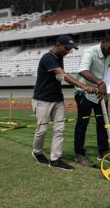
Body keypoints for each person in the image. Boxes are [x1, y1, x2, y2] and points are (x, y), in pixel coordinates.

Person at [32, 35, 95, 171]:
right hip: (42, 99)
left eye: (70, 49)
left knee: (59, 130)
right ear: (58, 45)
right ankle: (37, 152)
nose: (68, 52)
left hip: (58, 99)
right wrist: (82, 86)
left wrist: (77, 85)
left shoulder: (60, 58)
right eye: (67, 48)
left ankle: (55, 159)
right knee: (42, 130)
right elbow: (63, 75)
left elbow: (60, 77)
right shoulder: (47, 58)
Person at [73, 32, 110, 166]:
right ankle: (79, 154)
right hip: (85, 93)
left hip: (101, 95)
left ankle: (103, 152)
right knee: (82, 124)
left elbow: (105, 72)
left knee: (103, 123)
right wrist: (100, 82)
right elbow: (82, 70)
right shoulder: (90, 52)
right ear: (104, 41)